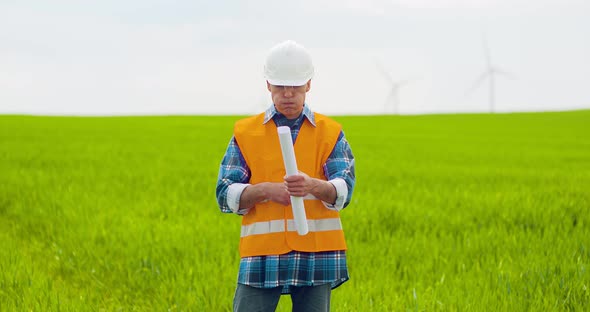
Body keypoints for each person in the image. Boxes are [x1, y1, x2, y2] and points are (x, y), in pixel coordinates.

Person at [216, 40, 356, 312]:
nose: (288, 94)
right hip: (262, 254)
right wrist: (265, 190)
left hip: (317, 253)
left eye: (295, 86)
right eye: (280, 86)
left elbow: (345, 190)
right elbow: (224, 193)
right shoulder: (246, 132)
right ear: (268, 85)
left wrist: (313, 186)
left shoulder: (330, 132)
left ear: (309, 84)